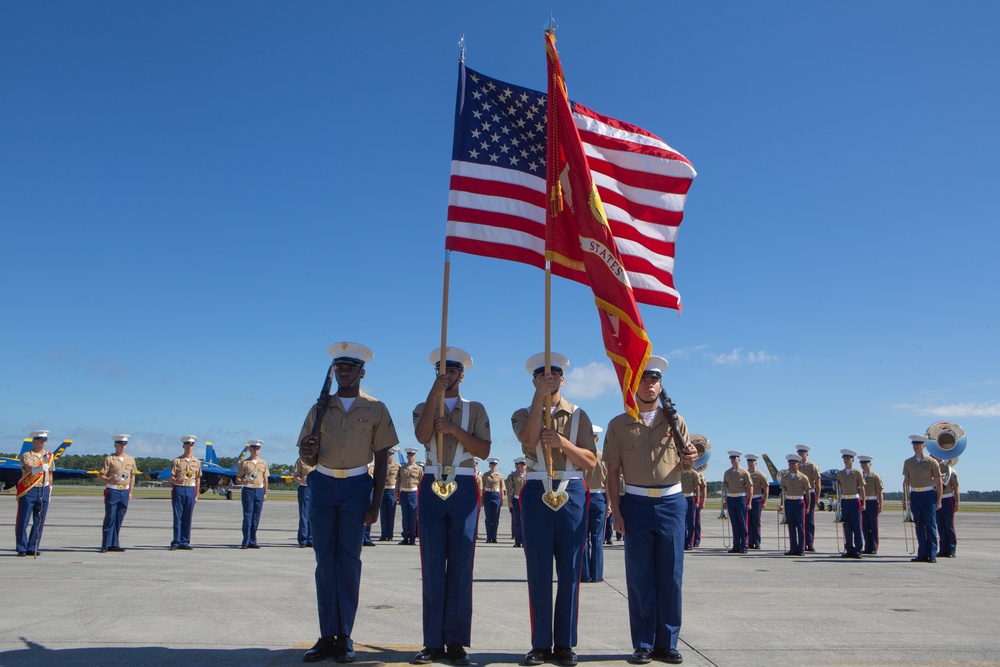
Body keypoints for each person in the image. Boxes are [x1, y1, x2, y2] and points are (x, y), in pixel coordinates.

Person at [299, 342, 398, 663]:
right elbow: (306, 456)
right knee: (325, 563)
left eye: (350, 368)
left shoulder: (375, 408)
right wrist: (307, 450)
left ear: (361, 372)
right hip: (324, 484)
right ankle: (326, 635)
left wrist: (376, 503)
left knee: (349, 563)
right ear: (333, 372)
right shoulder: (319, 408)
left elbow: (382, 459)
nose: (344, 372)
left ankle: (344, 637)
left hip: (357, 486)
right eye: (339, 368)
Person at [604, 355, 696, 666]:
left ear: (661, 384)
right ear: (635, 384)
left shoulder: (676, 421)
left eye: (654, 379)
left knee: (670, 576)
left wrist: (691, 458)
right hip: (636, 504)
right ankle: (642, 643)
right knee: (640, 577)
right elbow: (612, 472)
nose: (650, 384)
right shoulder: (619, 424)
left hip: (671, 502)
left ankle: (667, 643)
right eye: (644, 379)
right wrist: (616, 511)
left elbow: (686, 464)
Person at [512, 352, 596, 667]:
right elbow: (529, 438)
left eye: (554, 376)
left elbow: (590, 461)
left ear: (563, 378)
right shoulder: (523, 412)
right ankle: (539, 644)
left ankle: (564, 644)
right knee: (538, 571)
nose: (549, 380)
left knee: (570, 570)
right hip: (537, 488)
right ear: (534, 380)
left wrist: (563, 444)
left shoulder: (578, 415)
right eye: (542, 377)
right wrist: (539, 399)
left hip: (571, 489)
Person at [412, 347, 491, 666]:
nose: (448, 375)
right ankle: (432, 641)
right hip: (431, 479)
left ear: (462, 374)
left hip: (463, 481)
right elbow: (421, 436)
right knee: (431, 565)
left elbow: (484, 450)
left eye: (453, 371)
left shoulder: (475, 409)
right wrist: (435, 393)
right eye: (442, 371)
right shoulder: (423, 405)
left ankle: (456, 640)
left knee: (461, 564)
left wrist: (455, 430)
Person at [903, 435, 943, 563]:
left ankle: (932, 553)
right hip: (915, 494)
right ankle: (922, 553)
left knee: (930, 525)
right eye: (914, 445)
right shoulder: (908, 462)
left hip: (928, 494)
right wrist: (906, 499)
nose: (915, 447)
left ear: (923, 446)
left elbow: (938, 481)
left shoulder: (932, 462)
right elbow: (906, 481)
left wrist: (939, 499)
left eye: (918, 445)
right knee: (919, 525)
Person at [15, 430, 53, 557]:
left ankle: (33, 547)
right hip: (29, 489)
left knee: (39, 521)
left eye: (44, 440)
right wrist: (40, 468)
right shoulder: (27, 454)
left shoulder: (49, 456)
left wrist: (50, 489)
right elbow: (29, 468)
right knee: (23, 519)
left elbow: (51, 474)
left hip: (43, 489)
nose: (43, 442)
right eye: (40, 440)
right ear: (34, 441)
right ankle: (21, 547)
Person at [98, 434, 137, 553]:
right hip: (113, 490)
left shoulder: (130, 459)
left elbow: (132, 476)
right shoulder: (109, 459)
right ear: (115, 445)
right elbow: (101, 475)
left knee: (119, 518)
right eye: (120, 444)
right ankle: (106, 544)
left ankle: (115, 543)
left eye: (125, 444)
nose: (123, 446)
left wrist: (130, 491)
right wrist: (109, 480)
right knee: (110, 517)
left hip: (124, 491)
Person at [582, 425, 607, 582]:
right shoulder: (604, 458)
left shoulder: (580, 456)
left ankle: (584, 574)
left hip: (583, 497)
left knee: (583, 538)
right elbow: (609, 482)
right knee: (597, 538)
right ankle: (596, 575)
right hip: (599, 497)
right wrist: (610, 504)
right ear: (597, 439)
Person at [170, 435, 202, 550]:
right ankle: (176, 541)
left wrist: (196, 494)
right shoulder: (177, 461)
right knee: (178, 516)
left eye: (192, 445)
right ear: (183, 446)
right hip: (179, 488)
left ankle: (185, 541)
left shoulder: (197, 462)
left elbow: (198, 478)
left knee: (188, 517)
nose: (190, 447)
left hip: (190, 489)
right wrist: (175, 480)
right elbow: (172, 477)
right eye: (188, 444)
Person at [235, 440, 268, 549]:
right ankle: (246, 541)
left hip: (259, 490)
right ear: (250, 449)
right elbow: (238, 478)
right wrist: (242, 481)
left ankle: (253, 541)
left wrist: (265, 493)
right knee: (248, 516)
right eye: (253, 448)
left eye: (257, 448)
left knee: (256, 517)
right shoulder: (245, 463)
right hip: (248, 490)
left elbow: (265, 479)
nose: (255, 450)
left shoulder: (263, 463)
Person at [835, 449, 866, 559]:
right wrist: (838, 502)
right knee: (846, 526)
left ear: (852, 460)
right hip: (845, 501)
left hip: (854, 500)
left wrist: (863, 502)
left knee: (857, 526)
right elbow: (838, 489)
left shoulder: (857, 473)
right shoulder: (840, 473)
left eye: (848, 458)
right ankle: (849, 549)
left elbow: (862, 488)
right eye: (844, 458)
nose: (846, 460)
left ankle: (858, 550)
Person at [779, 454, 810, 556]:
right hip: (789, 502)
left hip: (798, 502)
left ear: (798, 464)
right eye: (790, 463)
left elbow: (807, 492)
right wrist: (782, 504)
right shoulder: (785, 477)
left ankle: (801, 549)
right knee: (791, 526)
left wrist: (808, 506)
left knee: (800, 526)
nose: (792, 465)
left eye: (794, 463)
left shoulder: (803, 477)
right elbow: (783, 492)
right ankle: (793, 548)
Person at [722, 451, 752, 554]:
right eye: (731, 459)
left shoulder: (744, 472)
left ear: (739, 459)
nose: (733, 460)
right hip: (731, 498)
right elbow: (725, 487)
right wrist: (725, 500)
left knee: (742, 523)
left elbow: (750, 487)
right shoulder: (727, 473)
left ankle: (744, 545)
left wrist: (749, 502)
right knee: (734, 523)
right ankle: (736, 545)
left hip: (740, 498)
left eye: (735, 458)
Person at [795, 445, 821, 552]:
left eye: (803, 452)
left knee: (809, 520)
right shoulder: (795, 465)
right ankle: (800, 543)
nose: (801, 454)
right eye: (799, 452)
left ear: (807, 454)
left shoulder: (812, 466)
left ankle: (809, 543)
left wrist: (818, 497)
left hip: (809, 494)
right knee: (799, 520)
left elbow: (818, 483)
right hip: (798, 495)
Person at [396, 448, 422, 546]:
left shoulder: (419, 469)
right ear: (406, 456)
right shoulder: (402, 468)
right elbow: (398, 481)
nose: (411, 457)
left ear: (415, 457)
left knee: (413, 517)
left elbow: (421, 483)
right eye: (409, 455)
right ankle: (405, 538)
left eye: (412, 455)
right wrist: (397, 494)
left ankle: (412, 538)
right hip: (404, 493)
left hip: (413, 493)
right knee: (405, 517)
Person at [858, 455, 883, 555]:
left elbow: (880, 491)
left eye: (865, 463)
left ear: (870, 464)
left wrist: (881, 504)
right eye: (862, 463)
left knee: (873, 526)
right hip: (862, 502)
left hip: (872, 501)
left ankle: (874, 547)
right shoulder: (859, 475)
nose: (863, 465)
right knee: (864, 526)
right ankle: (867, 546)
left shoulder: (875, 476)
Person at [936, 458, 959, 558]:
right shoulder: (932, 470)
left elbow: (956, 488)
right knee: (940, 526)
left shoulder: (951, 471)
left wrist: (957, 503)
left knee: (949, 525)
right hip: (937, 500)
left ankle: (951, 549)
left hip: (948, 499)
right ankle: (943, 549)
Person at [745, 454, 769, 550]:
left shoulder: (760, 475)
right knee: (748, 521)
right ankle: (749, 541)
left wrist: (765, 501)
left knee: (756, 521)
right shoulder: (744, 473)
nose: (750, 464)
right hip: (746, 499)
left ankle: (757, 541)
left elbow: (766, 488)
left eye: (752, 462)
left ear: (756, 463)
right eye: (749, 462)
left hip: (757, 499)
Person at [293, 455, 316, 548]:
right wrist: (301, 480)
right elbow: (295, 476)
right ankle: (303, 539)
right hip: (305, 488)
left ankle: (311, 539)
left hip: (316, 489)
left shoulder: (319, 460)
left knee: (314, 514)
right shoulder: (301, 461)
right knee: (304, 514)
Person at [379, 447, 401, 541]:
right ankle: (383, 534)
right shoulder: (381, 465)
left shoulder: (397, 466)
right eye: (388, 454)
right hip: (383, 491)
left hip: (392, 490)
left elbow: (400, 480)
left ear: (393, 455)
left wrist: (398, 493)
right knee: (383, 514)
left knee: (391, 514)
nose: (389, 456)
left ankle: (390, 535)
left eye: (391, 454)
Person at [482, 457, 505, 543]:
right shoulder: (485, 475)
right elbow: (483, 488)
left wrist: (502, 499)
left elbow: (502, 488)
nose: (493, 466)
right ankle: (488, 537)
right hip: (488, 495)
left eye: (494, 465)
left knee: (495, 518)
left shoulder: (500, 476)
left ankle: (494, 537)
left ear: (496, 466)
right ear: (489, 466)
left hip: (496, 495)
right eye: (492, 465)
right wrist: (482, 498)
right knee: (488, 518)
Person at [679, 456, 700, 551]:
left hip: (690, 497)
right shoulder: (680, 473)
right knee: (681, 521)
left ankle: (689, 542)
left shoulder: (694, 473)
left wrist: (698, 501)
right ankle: (683, 541)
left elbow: (698, 488)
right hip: (681, 497)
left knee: (691, 522)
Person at [507, 457, 528, 548]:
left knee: (525, 521)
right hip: (516, 499)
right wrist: (509, 501)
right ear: (518, 466)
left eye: (524, 465)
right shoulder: (513, 476)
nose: (522, 467)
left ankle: (525, 541)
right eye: (521, 465)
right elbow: (510, 489)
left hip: (526, 500)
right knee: (517, 521)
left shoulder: (530, 475)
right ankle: (517, 541)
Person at [694, 464, 707, 547]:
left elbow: (704, 488)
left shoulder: (700, 475)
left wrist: (704, 501)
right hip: (686, 497)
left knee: (697, 521)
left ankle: (696, 539)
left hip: (696, 498)